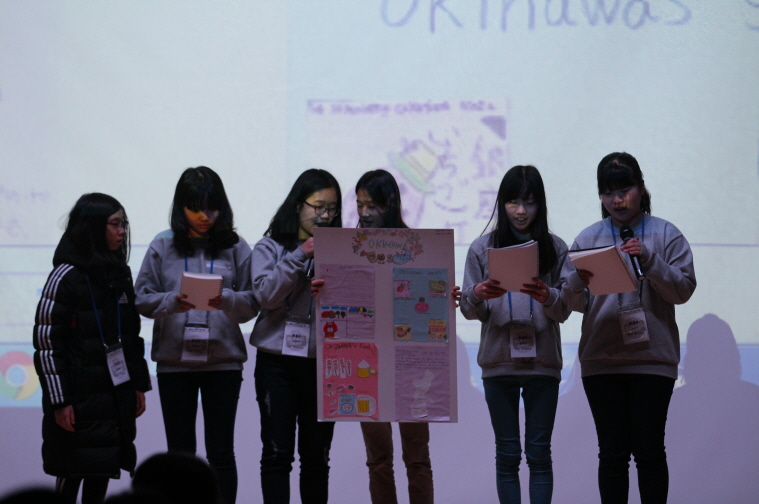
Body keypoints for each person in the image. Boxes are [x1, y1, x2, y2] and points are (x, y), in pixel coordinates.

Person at [563, 152, 696, 504]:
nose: (617, 200)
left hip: (652, 360)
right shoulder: (588, 238)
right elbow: (571, 304)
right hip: (601, 361)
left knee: (649, 453)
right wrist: (575, 282)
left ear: (641, 187)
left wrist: (649, 259)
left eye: (624, 190)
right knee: (612, 455)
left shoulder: (666, 234)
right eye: (608, 192)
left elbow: (682, 291)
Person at [135, 167, 257, 504]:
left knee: (221, 453)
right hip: (175, 363)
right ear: (181, 207)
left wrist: (228, 299)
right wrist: (171, 302)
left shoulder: (236, 246)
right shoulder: (162, 244)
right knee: (180, 454)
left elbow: (253, 303)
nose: (205, 217)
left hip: (223, 363)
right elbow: (141, 299)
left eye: (212, 208)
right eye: (196, 208)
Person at [459, 166, 572, 504]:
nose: (521, 211)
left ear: (541, 205)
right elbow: (469, 309)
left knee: (539, 454)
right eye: (513, 202)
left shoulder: (554, 248)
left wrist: (548, 296)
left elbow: (565, 310)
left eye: (530, 202)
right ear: (502, 203)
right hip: (498, 362)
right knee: (507, 455)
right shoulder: (482, 248)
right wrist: (477, 294)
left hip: (543, 363)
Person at [33, 193, 151, 504]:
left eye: (123, 224)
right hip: (76, 398)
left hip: (113, 394)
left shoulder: (119, 272)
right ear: (93, 228)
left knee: (101, 470)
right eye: (115, 224)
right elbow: (47, 345)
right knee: (71, 472)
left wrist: (138, 384)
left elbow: (131, 334)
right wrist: (59, 402)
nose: (122, 231)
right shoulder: (65, 276)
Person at [250, 168, 342, 504]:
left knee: (317, 458)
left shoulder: (342, 250)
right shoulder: (270, 247)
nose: (325, 216)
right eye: (318, 206)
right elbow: (265, 296)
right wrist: (301, 255)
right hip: (277, 364)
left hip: (323, 363)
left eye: (331, 209)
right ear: (297, 204)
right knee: (277, 455)